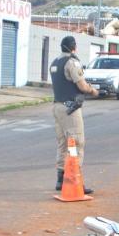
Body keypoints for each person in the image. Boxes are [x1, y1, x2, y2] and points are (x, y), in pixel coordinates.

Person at [49, 36, 99, 191]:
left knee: (63, 143)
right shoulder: (72, 62)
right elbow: (82, 86)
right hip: (70, 107)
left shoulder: (55, 63)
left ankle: (60, 179)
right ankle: (75, 181)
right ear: (74, 47)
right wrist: (92, 90)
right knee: (77, 143)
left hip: (57, 106)